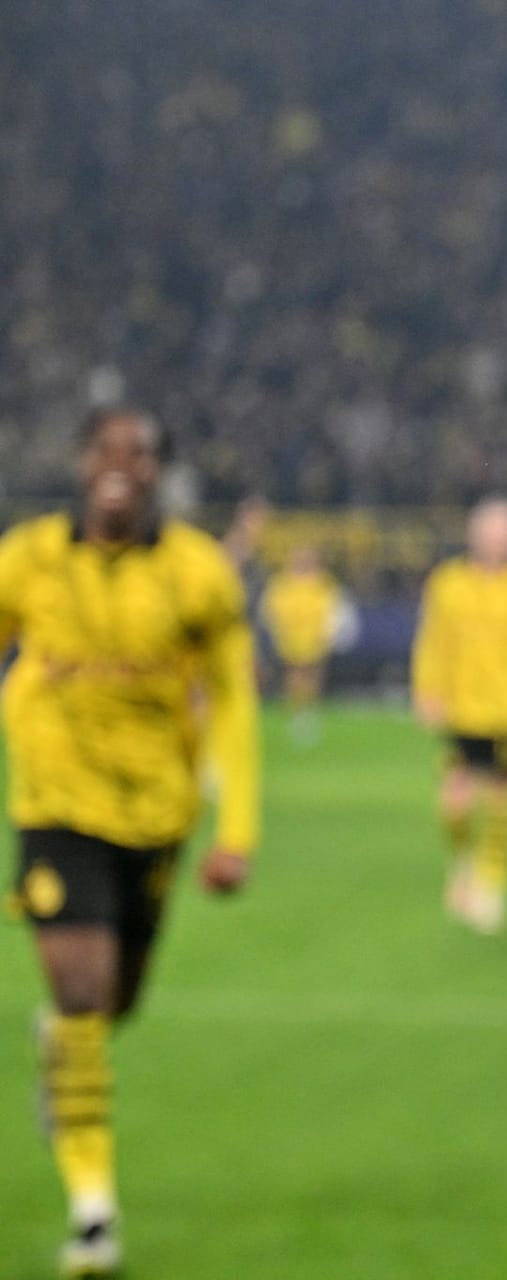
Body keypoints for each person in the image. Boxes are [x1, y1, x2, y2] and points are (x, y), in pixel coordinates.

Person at [0, 406, 260, 1278]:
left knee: (115, 1001)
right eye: (106, 449)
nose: (121, 464)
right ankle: (93, 1216)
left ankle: (61, 1050)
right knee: (81, 992)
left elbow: (233, 701)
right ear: (82, 462)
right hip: (55, 806)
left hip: (156, 815)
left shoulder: (198, 575)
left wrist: (238, 829)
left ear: (158, 471)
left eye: (139, 452)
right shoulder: (27, 560)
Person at [411, 496, 507, 934]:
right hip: (461, 709)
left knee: (500, 801)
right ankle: (462, 862)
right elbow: (432, 639)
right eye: (490, 534)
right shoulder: (448, 582)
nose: (498, 542)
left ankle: (492, 884)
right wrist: (426, 690)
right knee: (455, 804)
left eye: (506, 535)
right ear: (474, 535)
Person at [260, 543, 348, 743]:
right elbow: (272, 607)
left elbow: (332, 606)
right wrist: (280, 627)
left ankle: (309, 711)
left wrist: (329, 630)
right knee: (295, 673)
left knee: (313, 674)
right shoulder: (283, 582)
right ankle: (295, 711)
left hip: (315, 635)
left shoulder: (324, 582)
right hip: (291, 635)